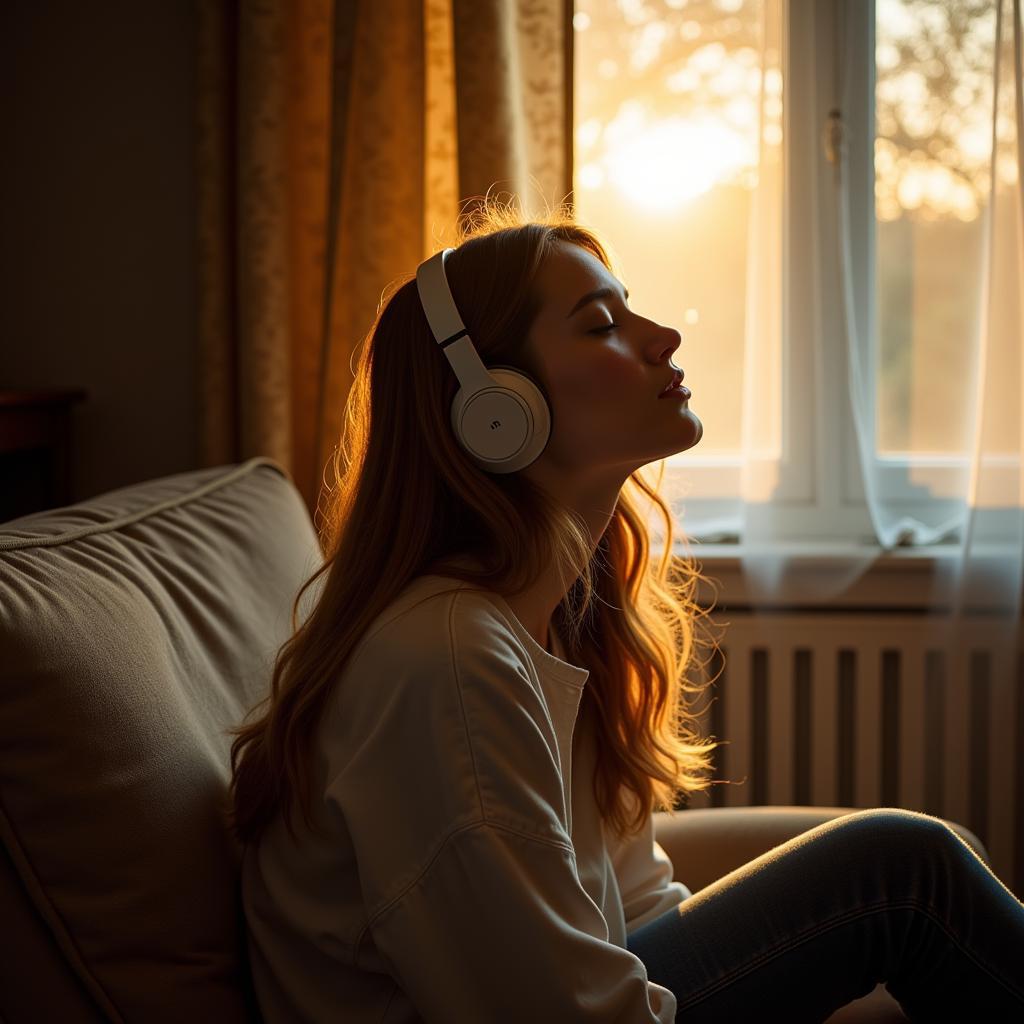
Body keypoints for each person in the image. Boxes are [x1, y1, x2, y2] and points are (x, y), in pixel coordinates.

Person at [226, 198, 1024, 1022]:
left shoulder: (547, 615)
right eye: (603, 323)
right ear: (495, 409)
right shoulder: (449, 661)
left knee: (931, 865)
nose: (662, 337)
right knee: (906, 872)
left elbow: (635, 903)